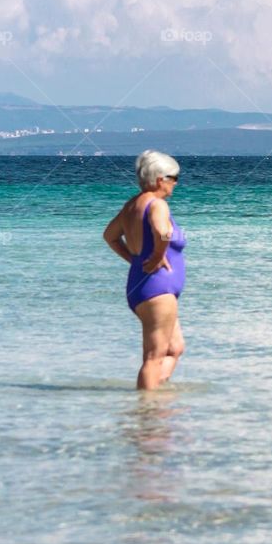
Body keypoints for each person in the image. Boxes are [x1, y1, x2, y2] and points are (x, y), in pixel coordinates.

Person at [103, 150, 187, 390]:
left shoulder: (132, 205)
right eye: (174, 178)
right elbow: (164, 232)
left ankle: (153, 403)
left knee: (174, 348)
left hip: (145, 285)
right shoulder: (157, 204)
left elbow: (110, 236)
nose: (176, 184)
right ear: (161, 179)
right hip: (156, 289)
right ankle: (147, 416)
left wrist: (134, 260)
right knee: (154, 356)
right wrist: (158, 255)